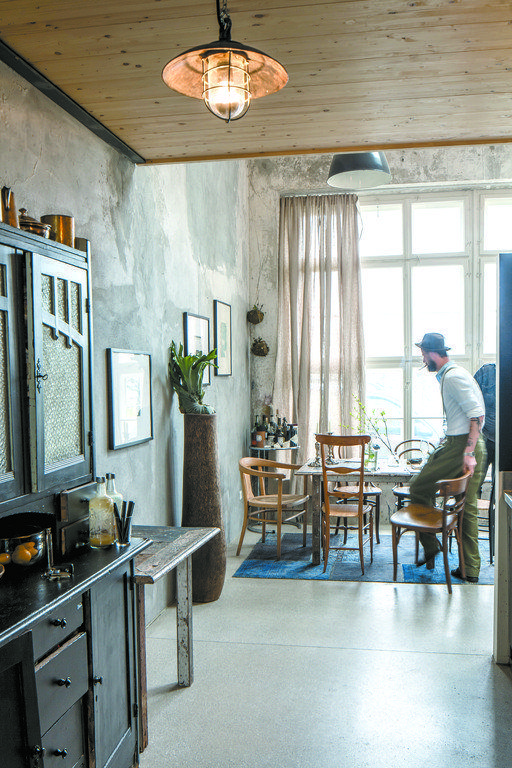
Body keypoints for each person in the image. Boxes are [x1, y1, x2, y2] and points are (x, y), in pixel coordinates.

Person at [409, 333, 486, 583]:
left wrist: (468, 452)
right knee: (468, 508)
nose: (423, 359)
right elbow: (469, 415)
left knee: (418, 487)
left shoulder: (453, 377)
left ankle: (432, 546)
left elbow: (476, 415)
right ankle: (470, 569)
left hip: (463, 445)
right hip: (465, 441)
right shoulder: (454, 374)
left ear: (432, 353)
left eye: (423, 354)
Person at [474, 362, 495, 488]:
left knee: (501, 487)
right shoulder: (485, 372)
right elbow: (470, 400)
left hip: (505, 442)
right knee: (475, 484)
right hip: (483, 436)